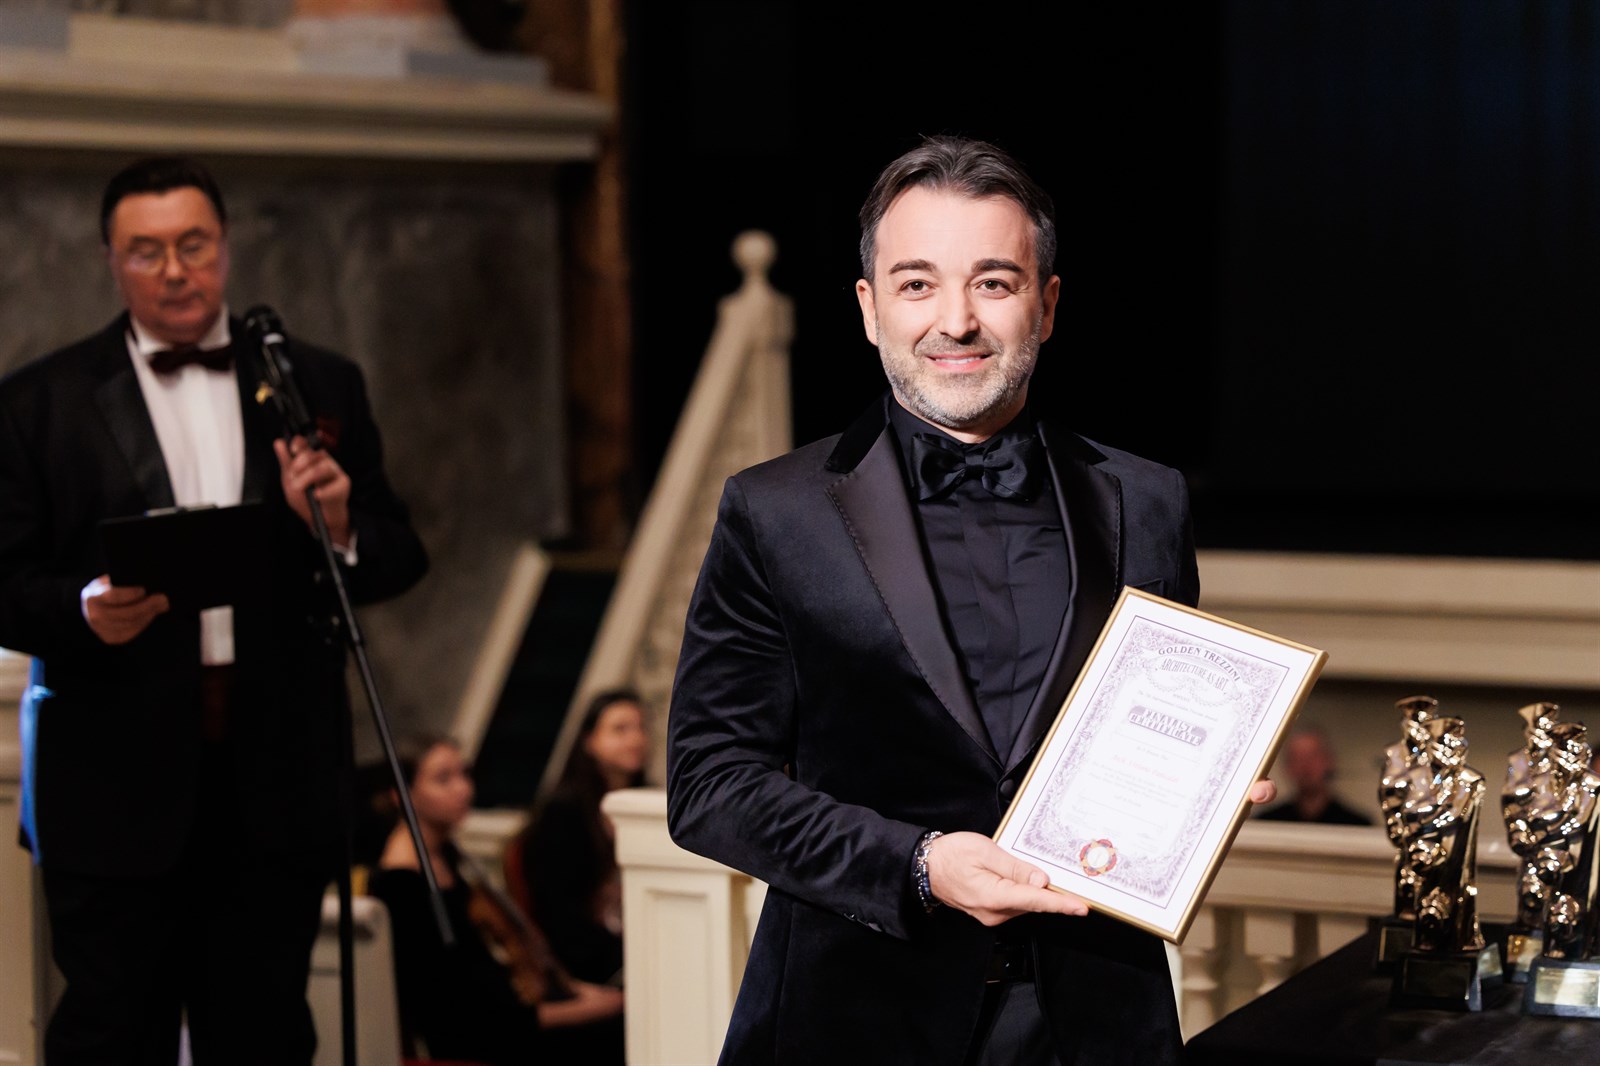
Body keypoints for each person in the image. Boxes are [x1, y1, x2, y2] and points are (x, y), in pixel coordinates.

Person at [665, 135, 1276, 1066]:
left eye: (994, 282)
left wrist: (1203, 794)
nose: (956, 321)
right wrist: (918, 866)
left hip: (1096, 1025)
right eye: (917, 284)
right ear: (869, 308)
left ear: (1048, 304)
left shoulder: (1147, 501)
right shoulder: (775, 511)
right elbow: (710, 785)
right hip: (853, 1025)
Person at [0, 155, 429, 1064]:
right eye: (146, 251)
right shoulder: (40, 403)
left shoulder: (316, 382)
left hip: (276, 774)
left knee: (264, 1034)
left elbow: (400, 554)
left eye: (192, 244)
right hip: (112, 781)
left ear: (226, 247)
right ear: (111, 261)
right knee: (112, 1036)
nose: (174, 270)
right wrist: (81, 610)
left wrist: (340, 524)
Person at [369, 733, 625, 1066]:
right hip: (481, 1043)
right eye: (443, 779)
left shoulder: (448, 858)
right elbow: (469, 1016)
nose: (463, 788)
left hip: (508, 1020)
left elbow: (501, 973)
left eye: (464, 774)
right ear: (400, 796)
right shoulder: (401, 886)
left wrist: (576, 992)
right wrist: (590, 1008)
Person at [514, 686, 650, 984]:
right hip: (589, 959)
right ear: (589, 740)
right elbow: (559, 913)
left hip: (640, 940)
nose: (636, 739)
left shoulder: (649, 802)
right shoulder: (564, 813)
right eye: (620, 729)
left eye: (640, 728)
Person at [1259, 724, 1372, 824]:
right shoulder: (1266, 822)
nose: (1305, 766)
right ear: (1287, 766)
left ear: (1329, 761)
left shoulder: (1357, 824)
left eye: (1313, 757)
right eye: (1297, 758)